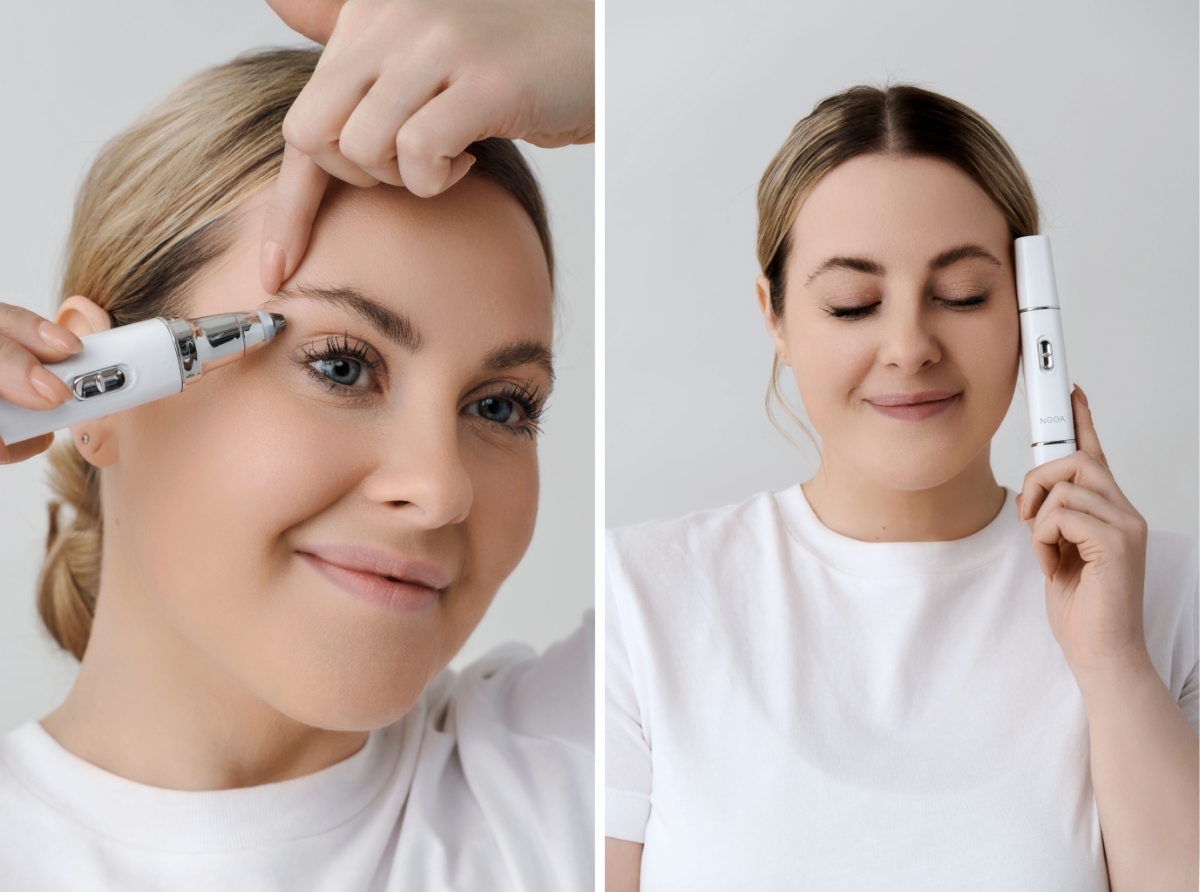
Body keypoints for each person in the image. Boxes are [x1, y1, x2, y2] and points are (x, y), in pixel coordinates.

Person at [0, 46, 591, 890]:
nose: (439, 490)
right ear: (98, 394)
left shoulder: (575, 771)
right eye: (343, 366)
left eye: (500, 406)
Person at [604, 84, 1198, 891]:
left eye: (962, 296)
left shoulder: (1170, 597)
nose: (910, 346)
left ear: (1030, 310)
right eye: (853, 305)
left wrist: (1115, 663)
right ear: (774, 317)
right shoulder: (641, 601)